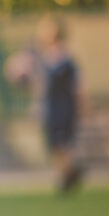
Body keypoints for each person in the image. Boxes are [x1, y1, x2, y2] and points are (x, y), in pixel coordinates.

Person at [36, 15, 86, 194]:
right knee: (54, 145)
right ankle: (65, 176)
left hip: (63, 108)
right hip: (51, 108)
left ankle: (68, 174)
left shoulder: (66, 59)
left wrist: (81, 106)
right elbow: (41, 86)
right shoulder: (45, 57)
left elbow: (77, 85)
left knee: (62, 144)